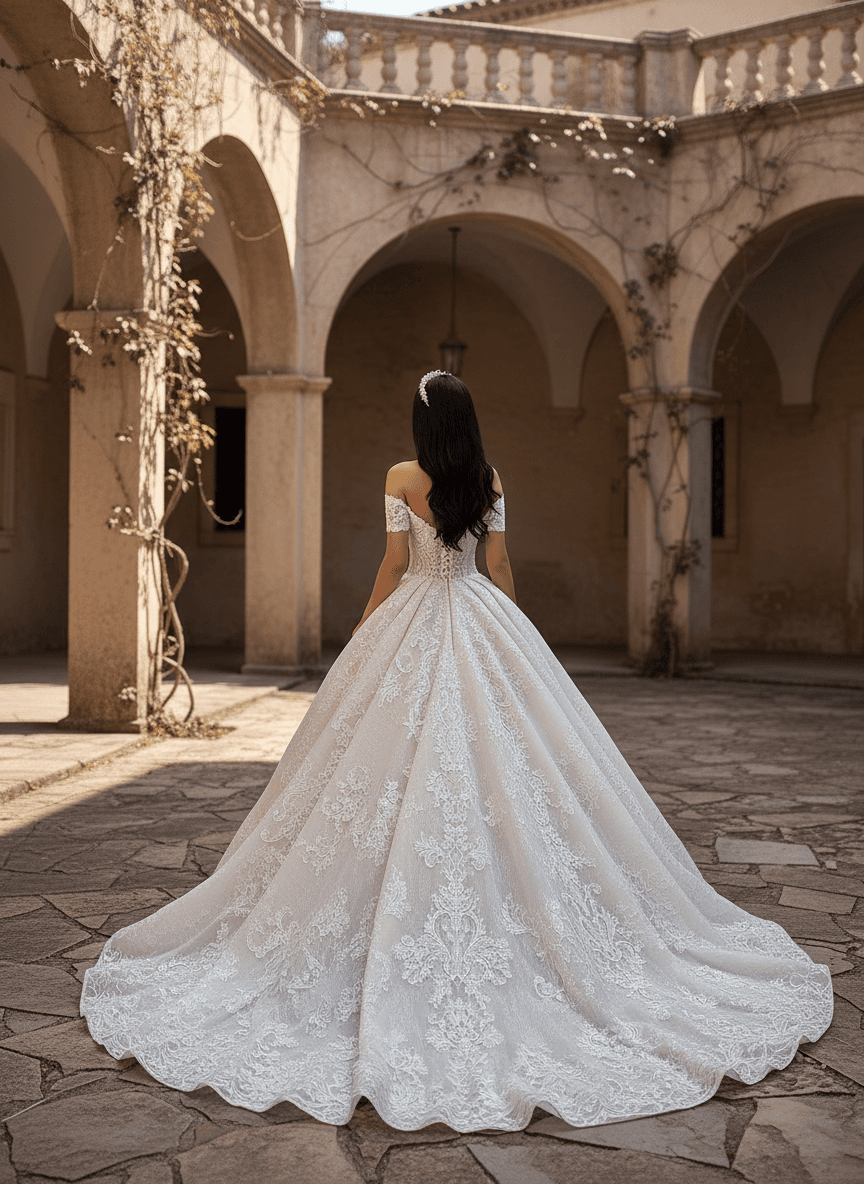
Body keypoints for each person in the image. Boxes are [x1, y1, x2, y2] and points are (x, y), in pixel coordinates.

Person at [81, 370, 832, 1132]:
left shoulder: (402, 476)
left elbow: (394, 565)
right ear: (467, 421)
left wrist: (363, 632)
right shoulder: (489, 475)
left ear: (421, 421)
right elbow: (498, 566)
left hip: (415, 616)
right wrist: (514, 642)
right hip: (477, 612)